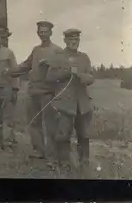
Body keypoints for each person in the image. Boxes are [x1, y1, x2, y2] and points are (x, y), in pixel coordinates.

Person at [7, 21, 63, 168]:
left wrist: (51, 64)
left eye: (45, 31)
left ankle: (52, 157)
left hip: (48, 93)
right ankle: (39, 150)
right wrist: (9, 71)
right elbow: (25, 65)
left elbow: (63, 70)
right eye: (40, 31)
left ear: (51, 32)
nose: (42, 34)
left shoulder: (57, 51)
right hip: (33, 92)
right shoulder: (35, 50)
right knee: (33, 123)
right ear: (37, 32)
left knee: (50, 125)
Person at [45, 28, 94, 177]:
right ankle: (64, 164)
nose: (74, 43)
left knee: (84, 135)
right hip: (64, 104)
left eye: (76, 40)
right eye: (71, 40)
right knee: (63, 135)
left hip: (83, 104)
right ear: (65, 41)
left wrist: (81, 76)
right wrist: (67, 73)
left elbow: (91, 77)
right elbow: (50, 77)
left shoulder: (84, 57)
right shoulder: (58, 57)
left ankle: (84, 162)